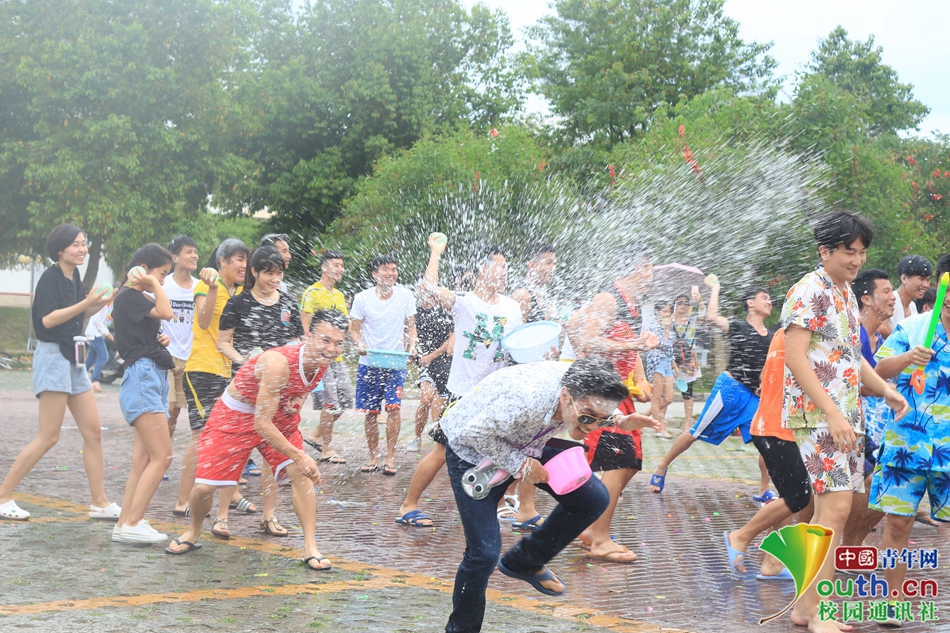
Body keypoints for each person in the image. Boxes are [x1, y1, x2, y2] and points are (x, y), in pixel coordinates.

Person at [440, 357, 659, 633]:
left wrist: (618, 420)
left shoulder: (579, 398)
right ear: (566, 396)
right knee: (483, 554)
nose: (592, 428)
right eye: (587, 418)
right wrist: (522, 466)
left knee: (594, 499)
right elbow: (474, 433)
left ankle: (524, 561)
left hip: (526, 439)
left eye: (600, 419)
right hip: (472, 449)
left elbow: (596, 409)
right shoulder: (526, 400)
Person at [782, 211, 908, 633]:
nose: (857, 260)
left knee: (827, 513)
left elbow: (852, 359)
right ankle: (816, 611)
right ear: (826, 251)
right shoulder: (808, 290)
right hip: (819, 417)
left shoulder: (846, 292)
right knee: (835, 510)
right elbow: (796, 357)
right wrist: (833, 413)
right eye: (848, 252)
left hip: (844, 418)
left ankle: (806, 606)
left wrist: (887, 391)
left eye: (861, 252)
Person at [165, 310, 349, 571]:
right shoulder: (278, 363)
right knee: (206, 487)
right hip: (236, 414)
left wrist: (295, 402)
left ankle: (311, 547)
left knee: (300, 474)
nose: (331, 349)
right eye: (325, 340)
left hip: (275, 413)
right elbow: (260, 423)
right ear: (308, 336)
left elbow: (300, 390)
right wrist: (300, 454)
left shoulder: (321, 361)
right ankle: (194, 532)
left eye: (339, 343)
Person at [395, 238, 522, 527]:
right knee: (442, 451)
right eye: (500, 267)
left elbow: (516, 346)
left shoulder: (512, 307)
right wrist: (435, 254)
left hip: (497, 393)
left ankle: (498, 504)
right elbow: (428, 289)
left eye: (506, 268)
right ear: (482, 270)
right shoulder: (465, 302)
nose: (505, 273)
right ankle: (408, 505)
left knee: (504, 450)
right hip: (463, 394)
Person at [0, 224, 119, 521]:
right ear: (60, 250)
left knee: (93, 432)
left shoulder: (74, 276)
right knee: (48, 436)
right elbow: (47, 320)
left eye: (84, 244)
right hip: (53, 357)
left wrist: (96, 304)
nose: (82, 249)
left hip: (74, 358)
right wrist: (86, 303)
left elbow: (78, 314)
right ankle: (2, 497)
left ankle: (100, 502)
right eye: (76, 245)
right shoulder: (51, 277)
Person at [562, 243, 658, 563]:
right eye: (648, 268)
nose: (650, 274)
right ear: (634, 268)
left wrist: (640, 381)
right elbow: (588, 339)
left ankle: (590, 529)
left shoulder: (630, 305)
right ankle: (599, 538)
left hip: (618, 393)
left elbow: (628, 349)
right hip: (599, 396)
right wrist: (632, 343)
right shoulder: (608, 298)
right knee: (617, 464)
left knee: (628, 464)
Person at [649, 282, 775, 497]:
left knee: (765, 441)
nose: (769, 301)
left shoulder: (772, 335)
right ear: (750, 303)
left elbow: (767, 365)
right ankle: (662, 465)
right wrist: (715, 289)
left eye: (770, 298)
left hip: (753, 396)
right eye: (764, 297)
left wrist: (764, 384)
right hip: (730, 390)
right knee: (696, 432)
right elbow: (711, 318)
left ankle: (765, 490)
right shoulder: (737, 326)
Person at [217, 245, 304, 537]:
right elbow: (223, 342)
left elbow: (295, 347)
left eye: (278, 272)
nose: (274, 278)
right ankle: (221, 516)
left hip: (278, 390)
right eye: (268, 272)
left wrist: (295, 390)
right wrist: (245, 362)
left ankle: (269, 515)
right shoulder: (237, 303)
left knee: (272, 453)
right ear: (253, 272)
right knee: (235, 454)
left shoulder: (288, 303)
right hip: (243, 392)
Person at [724, 329, 814, 578]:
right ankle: (740, 536)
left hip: (774, 425)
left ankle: (772, 564)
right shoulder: (804, 332)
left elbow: (765, 378)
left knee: (788, 497)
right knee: (798, 497)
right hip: (779, 427)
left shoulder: (783, 332)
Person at [173, 239, 252, 523]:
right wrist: (214, 288)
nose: (244, 265)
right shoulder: (206, 284)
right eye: (238, 259)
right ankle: (184, 499)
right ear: (222, 262)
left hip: (229, 370)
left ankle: (227, 496)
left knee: (227, 436)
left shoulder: (244, 291)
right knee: (201, 436)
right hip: (203, 369)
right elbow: (204, 322)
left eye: (246, 259)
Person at [111, 245, 176, 544]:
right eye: (162, 274)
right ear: (143, 267)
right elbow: (167, 312)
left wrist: (156, 338)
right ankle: (133, 522)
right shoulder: (129, 295)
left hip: (150, 374)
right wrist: (150, 283)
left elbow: (153, 322)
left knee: (144, 459)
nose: (162, 281)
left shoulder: (132, 299)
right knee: (162, 457)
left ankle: (126, 521)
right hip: (144, 377)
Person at [840, 269, 896, 546]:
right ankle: (846, 545)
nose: (893, 296)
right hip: (849, 426)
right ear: (866, 299)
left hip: (876, 428)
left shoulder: (883, 343)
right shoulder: (854, 335)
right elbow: (851, 383)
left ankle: (851, 544)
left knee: (882, 485)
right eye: (885, 291)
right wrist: (886, 390)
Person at [350, 254, 417, 474]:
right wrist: (359, 343)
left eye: (394, 269)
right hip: (369, 361)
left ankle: (390, 457)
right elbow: (354, 329)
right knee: (371, 412)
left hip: (396, 361)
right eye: (385, 269)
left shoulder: (405, 295)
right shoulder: (362, 298)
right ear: (374, 274)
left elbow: (411, 327)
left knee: (394, 409)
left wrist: (413, 346)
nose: (390, 273)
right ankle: (372, 457)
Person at [299, 250, 352, 464]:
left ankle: (315, 435)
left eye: (341, 265)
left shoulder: (339, 295)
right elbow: (305, 329)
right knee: (330, 403)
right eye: (335, 265)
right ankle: (326, 448)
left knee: (345, 401)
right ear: (324, 267)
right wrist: (313, 357)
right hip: (320, 357)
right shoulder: (312, 293)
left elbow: (344, 328)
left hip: (336, 358)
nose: (340, 269)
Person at [162, 235, 200, 437]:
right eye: (189, 251)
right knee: (167, 408)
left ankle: (162, 455)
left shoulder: (199, 286)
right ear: (174, 257)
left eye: (195, 251)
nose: (194, 255)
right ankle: (156, 456)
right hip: (166, 354)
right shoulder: (163, 285)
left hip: (190, 356)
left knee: (176, 411)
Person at [645, 300, 677, 439]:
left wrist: (674, 363)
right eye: (664, 312)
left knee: (669, 397)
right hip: (656, 361)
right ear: (657, 312)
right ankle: (660, 428)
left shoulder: (667, 327)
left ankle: (644, 417)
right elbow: (661, 345)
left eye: (668, 312)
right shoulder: (653, 326)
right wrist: (667, 330)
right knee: (657, 397)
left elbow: (670, 347)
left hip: (667, 362)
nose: (667, 314)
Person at [880, 254, 932, 338]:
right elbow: (882, 328)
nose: (926, 285)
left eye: (928, 280)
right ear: (904, 278)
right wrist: (905, 344)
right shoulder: (890, 299)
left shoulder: (912, 307)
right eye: (921, 279)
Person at [671, 292, 702, 424]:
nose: (682, 305)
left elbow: (703, 314)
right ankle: (659, 423)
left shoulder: (693, 321)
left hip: (688, 360)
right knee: (664, 393)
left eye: (686, 303)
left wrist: (700, 301)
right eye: (679, 302)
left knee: (687, 393)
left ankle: (687, 424)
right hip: (671, 360)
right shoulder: (668, 321)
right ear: (675, 305)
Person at [508, 242, 557, 323]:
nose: (554, 268)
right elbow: (515, 333)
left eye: (554, 263)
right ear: (532, 265)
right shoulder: (523, 295)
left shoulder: (542, 289)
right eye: (548, 263)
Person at [84, 303, 112, 393]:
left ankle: (80, 377)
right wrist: (107, 333)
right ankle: (94, 380)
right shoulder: (101, 305)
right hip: (95, 334)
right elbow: (97, 321)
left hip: (95, 333)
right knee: (103, 356)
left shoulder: (107, 306)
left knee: (91, 358)